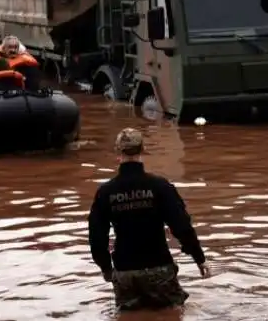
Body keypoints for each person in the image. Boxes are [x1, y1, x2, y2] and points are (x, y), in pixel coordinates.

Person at [88, 128, 210, 311]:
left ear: (118, 151)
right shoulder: (159, 186)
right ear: (142, 149)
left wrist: (106, 268)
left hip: (124, 272)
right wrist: (199, 258)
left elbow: (96, 236)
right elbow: (182, 227)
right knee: (174, 313)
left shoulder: (106, 192)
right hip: (158, 267)